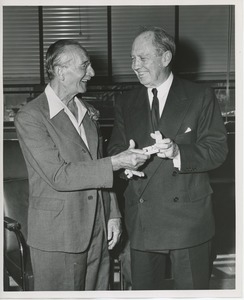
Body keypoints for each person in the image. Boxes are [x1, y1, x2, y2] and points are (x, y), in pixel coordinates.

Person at [14, 39, 149, 291]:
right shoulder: (31, 117)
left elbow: (97, 168)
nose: (92, 73)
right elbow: (58, 175)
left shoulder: (89, 113)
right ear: (61, 71)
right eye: (85, 66)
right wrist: (117, 161)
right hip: (59, 234)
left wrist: (113, 214)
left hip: (97, 229)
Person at [108, 26, 228, 290]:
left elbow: (217, 150)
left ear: (165, 58)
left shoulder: (200, 96)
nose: (134, 66)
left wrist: (177, 153)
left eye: (142, 58)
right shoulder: (125, 102)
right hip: (142, 220)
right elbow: (115, 149)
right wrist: (125, 164)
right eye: (132, 59)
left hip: (188, 220)